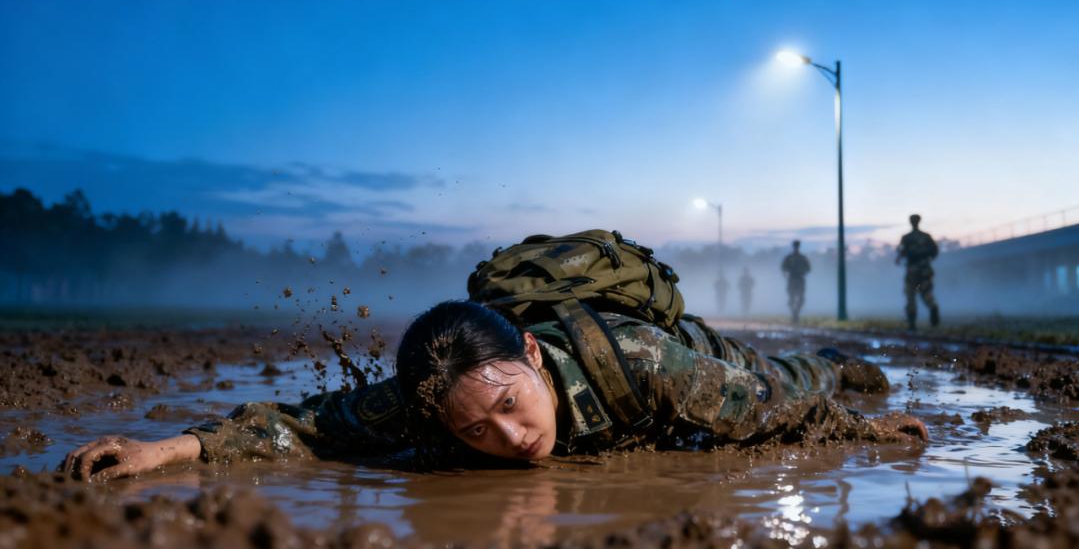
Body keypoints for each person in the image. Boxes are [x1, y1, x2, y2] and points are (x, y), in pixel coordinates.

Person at [63, 299, 926, 481]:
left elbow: (771, 410)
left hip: (704, 361)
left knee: (786, 374)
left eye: (511, 405)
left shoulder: (642, 358)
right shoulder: (438, 395)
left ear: (531, 355)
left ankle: (836, 352)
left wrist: (861, 426)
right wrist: (165, 448)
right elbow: (308, 424)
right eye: (476, 432)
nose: (512, 439)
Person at [896, 214, 940, 330]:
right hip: (925, 271)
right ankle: (933, 308)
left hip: (913, 272)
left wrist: (902, 258)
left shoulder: (906, 238)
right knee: (926, 293)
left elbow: (901, 252)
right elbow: (935, 251)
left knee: (911, 295)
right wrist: (926, 260)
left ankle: (912, 324)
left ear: (911, 222)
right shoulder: (926, 237)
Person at [780, 241, 811, 324]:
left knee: (801, 299)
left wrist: (802, 271)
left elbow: (808, 268)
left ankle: (796, 313)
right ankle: (794, 313)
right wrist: (785, 273)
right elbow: (783, 267)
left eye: (797, 246)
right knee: (791, 299)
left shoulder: (802, 258)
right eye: (795, 246)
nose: (796, 247)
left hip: (800, 279)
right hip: (792, 279)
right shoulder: (789, 258)